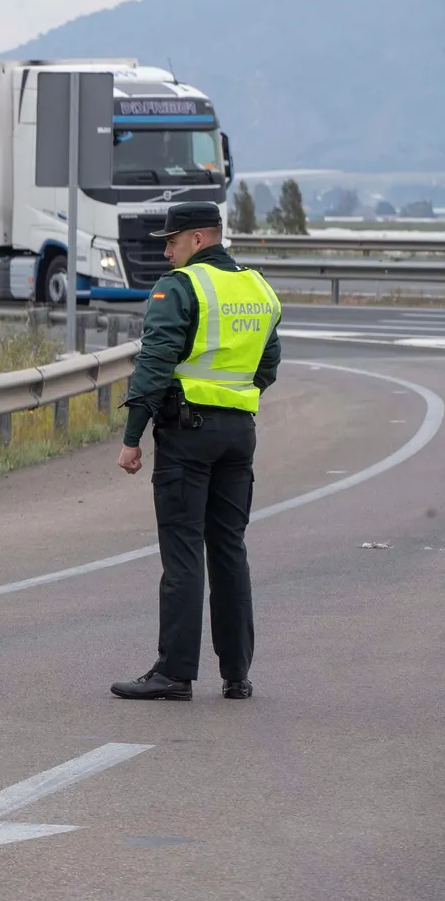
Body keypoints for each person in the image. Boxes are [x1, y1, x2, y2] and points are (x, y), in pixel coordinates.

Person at [112, 201, 282, 703]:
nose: (167, 252)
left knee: (183, 552)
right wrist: (234, 403)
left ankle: (175, 672)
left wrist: (131, 437)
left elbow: (156, 361)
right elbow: (268, 365)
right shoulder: (259, 288)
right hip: (238, 434)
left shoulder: (181, 287)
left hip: (188, 434)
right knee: (230, 549)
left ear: (199, 240)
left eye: (172, 242)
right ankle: (237, 674)